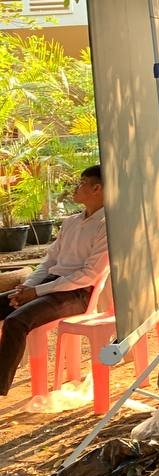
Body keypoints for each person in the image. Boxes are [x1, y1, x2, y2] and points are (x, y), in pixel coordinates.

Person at [1, 164, 109, 397]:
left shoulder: (107, 226)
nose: (75, 188)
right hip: (50, 284)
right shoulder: (70, 222)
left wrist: (37, 292)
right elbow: (49, 261)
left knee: (16, 322)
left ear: (96, 188)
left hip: (78, 294)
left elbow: (89, 275)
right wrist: (29, 286)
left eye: (81, 183)